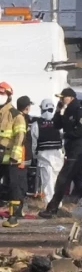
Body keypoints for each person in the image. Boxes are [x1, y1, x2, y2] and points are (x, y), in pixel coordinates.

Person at [39, 88, 82, 218]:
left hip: (78, 150)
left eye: (64, 98)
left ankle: (52, 208)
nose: (62, 100)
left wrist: (66, 135)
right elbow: (56, 124)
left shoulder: (80, 111)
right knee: (80, 183)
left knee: (62, 179)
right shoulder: (67, 111)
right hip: (71, 150)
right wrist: (58, 110)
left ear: (71, 98)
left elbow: (81, 131)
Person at [3, 97, 32, 227]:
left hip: (12, 158)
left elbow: (20, 136)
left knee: (14, 185)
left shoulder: (16, 115)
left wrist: (15, 156)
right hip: (3, 157)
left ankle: (13, 216)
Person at [33, 99, 64, 204]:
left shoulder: (36, 124)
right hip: (58, 154)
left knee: (47, 181)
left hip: (44, 155)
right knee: (57, 180)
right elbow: (63, 138)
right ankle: (58, 204)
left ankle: (50, 205)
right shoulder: (59, 121)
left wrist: (34, 155)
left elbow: (34, 143)